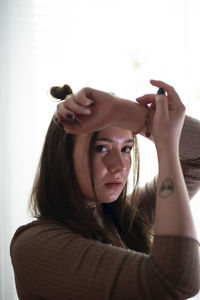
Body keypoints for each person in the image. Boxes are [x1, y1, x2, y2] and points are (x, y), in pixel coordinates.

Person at [10, 79, 200, 299]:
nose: (119, 165)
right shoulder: (34, 246)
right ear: (61, 158)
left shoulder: (129, 217)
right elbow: (175, 282)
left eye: (127, 149)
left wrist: (129, 113)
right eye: (102, 148)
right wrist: (165, 143)